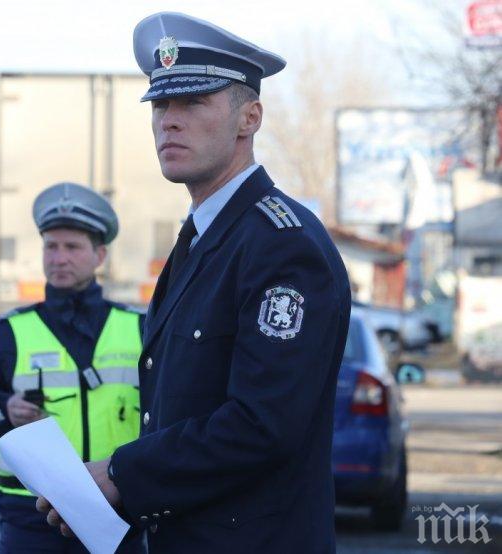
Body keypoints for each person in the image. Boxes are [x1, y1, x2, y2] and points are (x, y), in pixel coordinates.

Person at [38, 12, 352, 553]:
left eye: (192, 103)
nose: (169, 122)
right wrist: (116, 500)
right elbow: (177, 411)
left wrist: (121, 474)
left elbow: (261, 425)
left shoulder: (282, 244)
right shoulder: (201, 239)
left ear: (248, 117)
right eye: (161, 105)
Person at [0, 182, 146, 553]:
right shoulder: (9, 332)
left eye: (72, 247)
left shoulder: (139, 328)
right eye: (51, 246)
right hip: (31, 516)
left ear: (100, 255)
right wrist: (4, 409)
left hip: (117, 505)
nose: (59, 258)